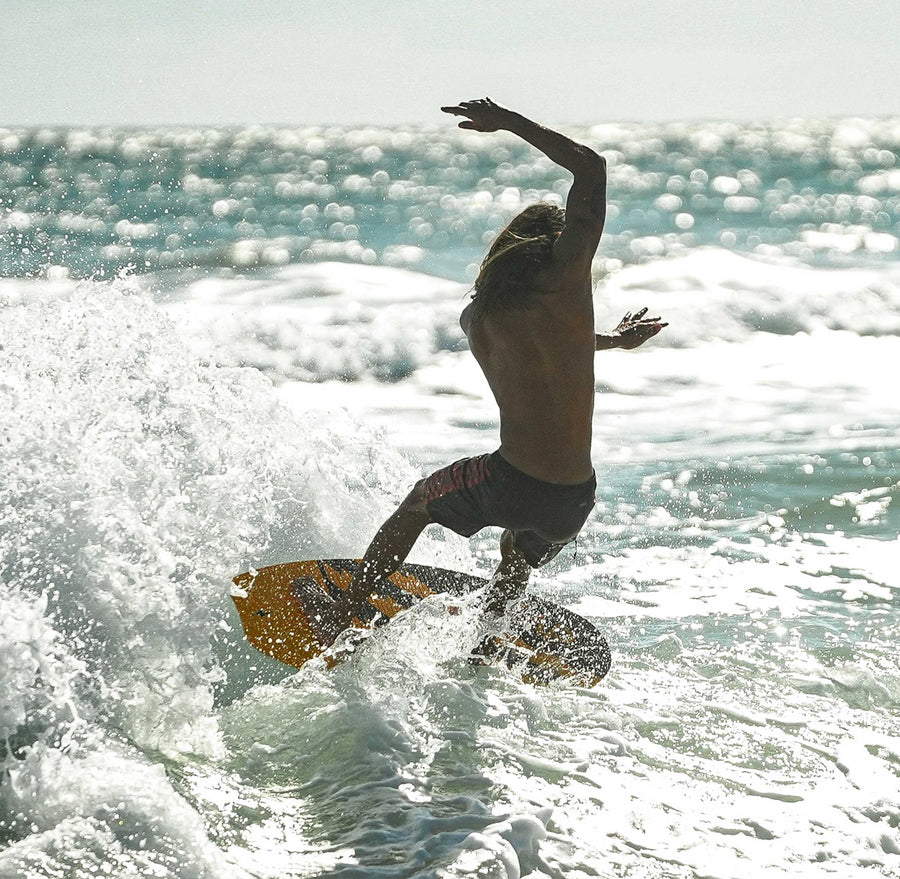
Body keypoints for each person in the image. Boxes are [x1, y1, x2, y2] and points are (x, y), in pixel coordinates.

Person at [305, 97, 667, 643]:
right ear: (558, 247)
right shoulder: (566, 289)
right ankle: (485, 636)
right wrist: (512, 122)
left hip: (509, 481)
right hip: (573, 501)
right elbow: (591, 168)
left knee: (420, 502)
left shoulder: (477, 320)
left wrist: (608, 341)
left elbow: (535, 354)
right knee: (519, 547)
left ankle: (348, 613)